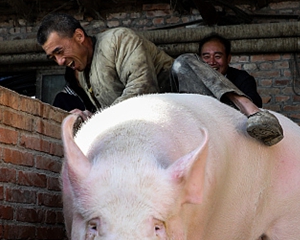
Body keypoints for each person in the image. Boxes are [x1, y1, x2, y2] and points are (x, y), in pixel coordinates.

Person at [36, 13, 283, 145]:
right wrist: (88, 116)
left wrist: (99, 118)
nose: (59, 61)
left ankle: (254, 113)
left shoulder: (118, 39)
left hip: (179, 98)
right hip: (154, 125)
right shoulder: (82, 73)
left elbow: (142, 88)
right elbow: (108, 109)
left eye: (59, 51)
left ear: (79, 36)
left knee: (183, 62)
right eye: (53, 57)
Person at [198, 34, 263, 108]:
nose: (212, 62)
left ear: (228, 58)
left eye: (217, 56)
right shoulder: (192, 79)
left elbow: (255, 105)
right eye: (206, 57)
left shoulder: (242, 79)